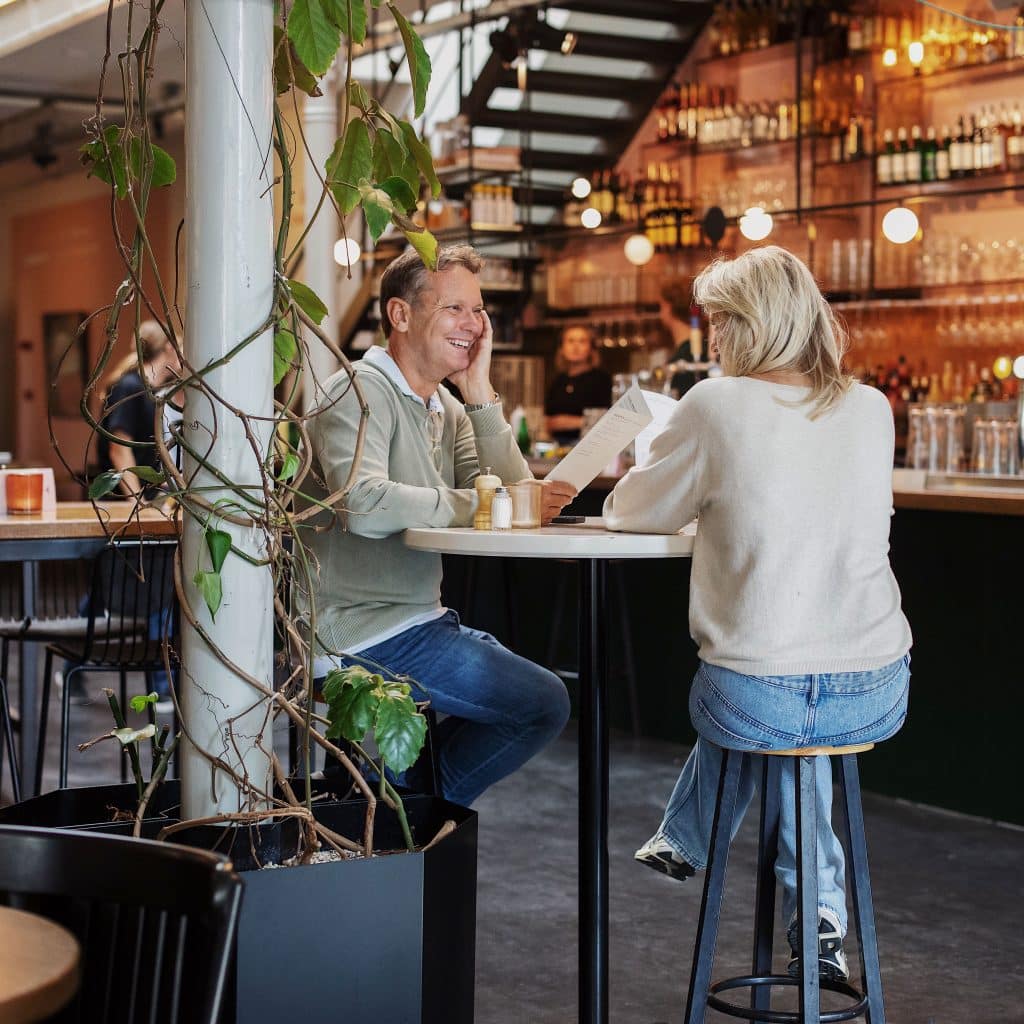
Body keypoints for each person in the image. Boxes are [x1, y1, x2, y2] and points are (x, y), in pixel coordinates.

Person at [603, 245, 912, 982]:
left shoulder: (714, 402)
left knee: (762, 703)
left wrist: (637, 469)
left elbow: (632, 513)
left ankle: (688, 833)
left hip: (754, 696)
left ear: (751, 326)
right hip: (876, 687)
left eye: (717, 323)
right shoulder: (871, 408)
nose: (711, 340)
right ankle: (821, 919)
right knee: (793, 736)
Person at [299, 244, 576, 807]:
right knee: (542, 703)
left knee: (542, 701)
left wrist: (479, 395)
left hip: (418, 624)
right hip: (355, 634)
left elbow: (514, 498)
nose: (473, 326)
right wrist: (480, 504)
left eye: (478, 311)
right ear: (400, 315)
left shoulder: (445, 407)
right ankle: (409, 812)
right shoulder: (355, 391)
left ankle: (400, 808)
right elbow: (365, 503)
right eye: (455, 309)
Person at [96, 320, 180, 499]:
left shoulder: (155, 392)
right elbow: (119, 450)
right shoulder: (130, 387)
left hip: (148, 498)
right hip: (121, 502)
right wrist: (136, 502)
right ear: (169, 348)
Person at [543, 324, 612, 446]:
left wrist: (565, 422)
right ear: (561, 348)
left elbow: (606, 421)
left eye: (582, 341)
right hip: (557, 449)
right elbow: (548, 423)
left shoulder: (601, 379)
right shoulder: (558, 381)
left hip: (590, 447)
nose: (576, 346)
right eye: (570, 341)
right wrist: (579, 421)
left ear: (591, 348)